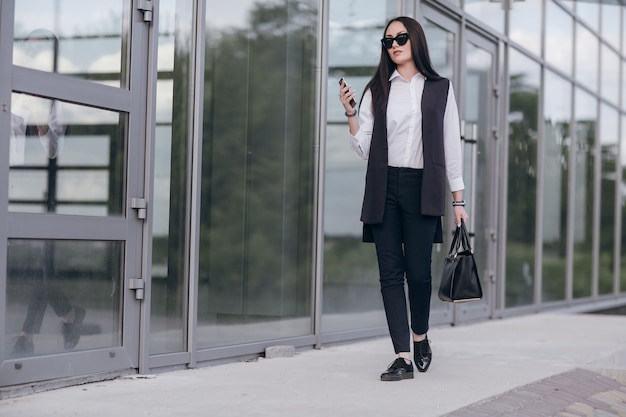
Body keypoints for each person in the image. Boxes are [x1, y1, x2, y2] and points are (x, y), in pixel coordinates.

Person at [338, 16, 468, 381]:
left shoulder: (440, 89)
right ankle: (401, 356)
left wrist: (458, 201)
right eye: (387, 41)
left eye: (400, 38)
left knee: (420, 274)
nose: (393, 45)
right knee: (390, 274)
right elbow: (363, 147)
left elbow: (449, 147)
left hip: (423, 186)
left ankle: (420, 336)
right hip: (384, 187)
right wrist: (351, 112)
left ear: (416, 40)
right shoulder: (377, 91)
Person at [9, 29, 85, 358]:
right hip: (9, 182)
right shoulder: (10, 90)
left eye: (38, 52)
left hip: (40, 188)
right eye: (28, 51)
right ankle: (70, 314)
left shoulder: (55, 97)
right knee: (36, 265)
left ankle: (26, 335)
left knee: (39, 262)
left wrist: (42, 126)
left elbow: (56, 150)